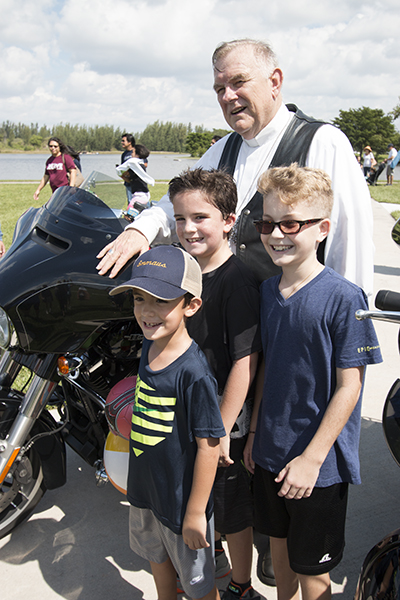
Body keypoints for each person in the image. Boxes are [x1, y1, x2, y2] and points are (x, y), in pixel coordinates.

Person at [96, 38, 374, 300]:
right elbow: (175, 205)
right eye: (220, 88)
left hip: (294, 319)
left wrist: (350, 319)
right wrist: (139, 230)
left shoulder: (323, 141)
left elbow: (349, 242)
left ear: (274, 82)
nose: (228, 96)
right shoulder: (223, 149)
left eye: (239, 82)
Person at [243, 164, 382, 600]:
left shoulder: (344, 297)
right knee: (279, 552)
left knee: (313, 573)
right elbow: (267, 366)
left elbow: (350, 387)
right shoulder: (267, 291)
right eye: (267, 224)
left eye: (290, 224)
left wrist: (312, 458)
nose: (276, 234)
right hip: (267, 450)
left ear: (322, 228)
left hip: (317, 467)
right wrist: (252, 435)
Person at [109, 245, 225, 600]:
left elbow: (210, 445)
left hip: (180, 503)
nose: (146, 311)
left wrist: (194, 513)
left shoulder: (193, 373)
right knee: (155, 557)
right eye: (139, 298)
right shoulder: (149, 344)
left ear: (191, 305)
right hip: (145, 491)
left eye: (161, 301)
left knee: (199, 585)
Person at [169, 168, 262, 600]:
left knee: (231, 509)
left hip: (224, 418)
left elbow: (245, 362)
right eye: (180, 218)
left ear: (228, 220)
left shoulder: (238, 280)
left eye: (200, 217)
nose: (188, 228)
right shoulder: (185, 273)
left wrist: (223, 429)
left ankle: (242, 583)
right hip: (188, 410)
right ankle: (214, 549)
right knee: (200, 499)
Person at [116, 143, 154, 213]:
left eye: (133, 152)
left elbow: (125, 172)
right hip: (143, 195)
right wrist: (123, 176)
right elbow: (130, 180)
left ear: (137, 154)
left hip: (139, 196)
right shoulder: (140, 165)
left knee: (129, 214)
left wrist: (120, 172)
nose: (131, 154)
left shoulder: (135, 164)